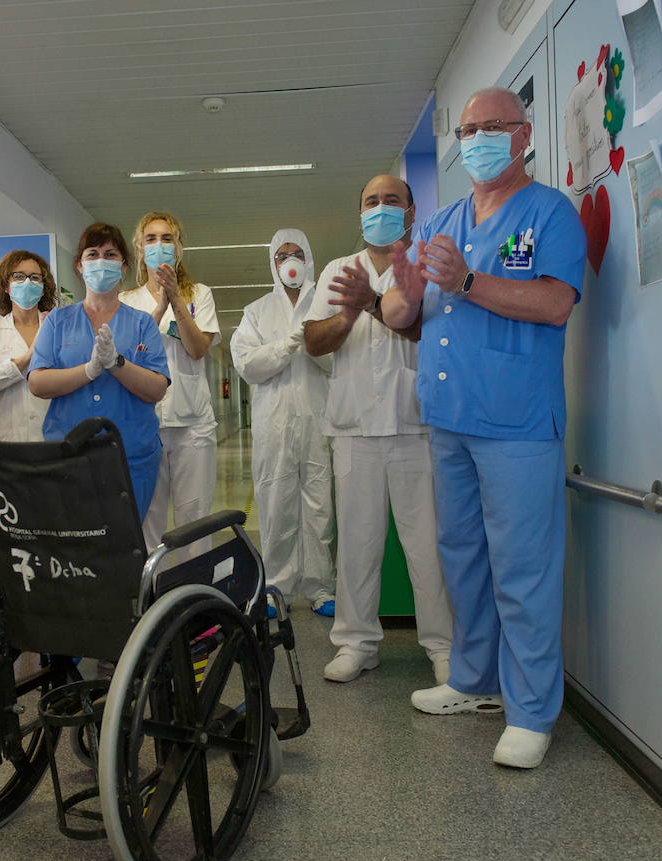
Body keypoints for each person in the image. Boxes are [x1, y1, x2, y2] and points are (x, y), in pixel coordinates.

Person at [382, 87, 588, 770]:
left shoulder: (551, 212)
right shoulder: (442, 218)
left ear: (523, 134)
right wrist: (405, 294)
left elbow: (556, 302)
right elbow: (404, 314)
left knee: (523, 570)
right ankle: (474, 681)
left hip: (518, 425)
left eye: (489, 127)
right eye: (467, 130)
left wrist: (468, 281)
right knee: (463, 557)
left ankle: (531, 711)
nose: (475, 140)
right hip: (449, 419)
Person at [303, 175, 454, 685]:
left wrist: (371, 301)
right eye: (371, 201)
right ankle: (356, 643)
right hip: (354, 430)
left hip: (417, 426)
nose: (381, 208)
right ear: (359, 213)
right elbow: (314, 342)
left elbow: (425, 329)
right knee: (358, 545)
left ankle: (443, 646)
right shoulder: (336, 271)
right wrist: (348, 312)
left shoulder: (428, 266)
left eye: (392, 201)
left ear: (411, 212)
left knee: (427, 546)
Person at [27, 223, 169, 518]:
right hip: (69, 455)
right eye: (92, 254)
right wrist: (90, 370)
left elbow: (156, 389)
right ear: (79, 265)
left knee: (125, 544)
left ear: (124, 265)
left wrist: (116, 363)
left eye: (110, 254)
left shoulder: (142, 323)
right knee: (76, 547)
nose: (101, 260)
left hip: (131, 456)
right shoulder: (57, 321)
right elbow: (38, 382)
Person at [230, 229, 336, 617]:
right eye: (281, 256)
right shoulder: (256, 312)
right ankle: (276, 586)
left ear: (308, 259)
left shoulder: (326, 305)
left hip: (319, 420)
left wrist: (312, 343)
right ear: (272, 264)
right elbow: (248, 366)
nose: (289, 262)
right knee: (276, 505)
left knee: (320, 505)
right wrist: (287, 344)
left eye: (296, 254)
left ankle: (322, 587)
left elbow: (337, 360)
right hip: (273, 425)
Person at [121, 211, 220, 550]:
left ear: (179, 248)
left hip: (193, 423)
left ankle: (196, 597)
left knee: (195, 519)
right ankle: (156, 594)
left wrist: (176, 299)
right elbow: (128, 355)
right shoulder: (125, 301)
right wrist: (160, 308)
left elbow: (197, 349)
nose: (159, 245)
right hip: (145, 424)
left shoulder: (199, 295)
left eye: (167, 238)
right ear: (139, 248)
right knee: (149, 518)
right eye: (151, 239)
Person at [0, 250, 57, 441]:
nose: (27, 282)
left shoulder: (56, 328)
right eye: (18, 276)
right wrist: (25, 359)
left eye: (35, 278)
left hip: (52, 436)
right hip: (9, 439)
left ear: (43, 287)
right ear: (6, 286)